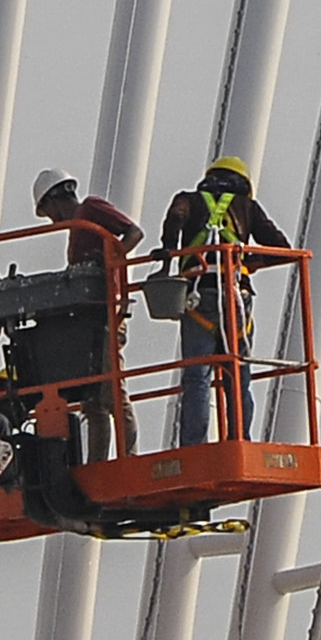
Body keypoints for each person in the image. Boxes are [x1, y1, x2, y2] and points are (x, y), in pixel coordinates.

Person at [157, 156, 289, 446]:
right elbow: (282, 248)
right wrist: (252, 262)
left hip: (198, 293)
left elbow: (176, 218)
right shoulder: (247, 207)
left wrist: (167, 252)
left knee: (197, 377)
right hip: (236, 296)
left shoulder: (188, 199)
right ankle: (240, 438)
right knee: (237, 371)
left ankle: (194, 444)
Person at [28, 169, 140, 463]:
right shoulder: (78, 229)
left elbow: (133, 233)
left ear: (55, 200)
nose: (52, 221)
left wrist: (111, 259)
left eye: (49, 212)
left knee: (112, 391)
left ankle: (129, 457)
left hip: (107, 314)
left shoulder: (91, 209)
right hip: (88, 319)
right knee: (91, 399)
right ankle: (98, 463)